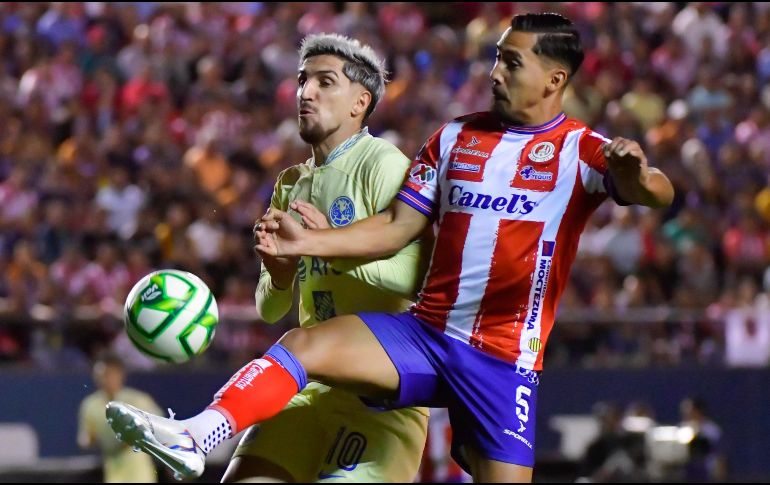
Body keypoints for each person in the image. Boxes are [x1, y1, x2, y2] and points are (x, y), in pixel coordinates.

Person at [107, 13, 674, 483]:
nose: (494, 70)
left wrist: (637, 174)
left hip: (504, 363)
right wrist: (312, 243)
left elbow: (655, 192)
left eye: (511, 61)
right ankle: (196, 434)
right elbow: (397, 225)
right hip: (426, 336)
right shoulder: (452, 138)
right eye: (497, 56)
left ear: (554, 80)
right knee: (302, 341)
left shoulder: (582, 150)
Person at [220, 33, 431, 483]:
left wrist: (330, 248)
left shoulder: (384, 164)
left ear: (360, 101)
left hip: (378, 399)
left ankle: (197, 433)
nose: (305, 92)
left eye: (324, 82)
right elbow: (270, 308)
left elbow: (419, 280)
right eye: (302, 80)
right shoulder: (290, 182)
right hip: (308, 385)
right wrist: (279, 277)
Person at [78, 352, 161, 482]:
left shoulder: (138, 400)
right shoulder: (90, 405)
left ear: (120, 374)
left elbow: (160, 427)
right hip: (112, 476)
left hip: (140, 477)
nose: (104, 379)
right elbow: (85, 439)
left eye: (108, 374)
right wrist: (90, 439)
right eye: (100, 375)